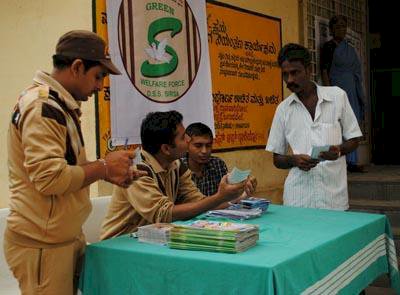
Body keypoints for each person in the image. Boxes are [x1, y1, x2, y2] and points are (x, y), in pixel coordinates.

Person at [4, 30, 146, 295]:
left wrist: (108, 173)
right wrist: (103, 167)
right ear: (77, 67)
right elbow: (49, 178)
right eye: (98, 76)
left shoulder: (60, 107)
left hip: (62, 239)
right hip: (42, 246)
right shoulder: (42, 107)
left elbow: (67, 170)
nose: (100, 86)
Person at [100, 111, 257, 240]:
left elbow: (200, 202)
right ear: (166, 148)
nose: (188, 139)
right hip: (121, 245)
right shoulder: (136, 170)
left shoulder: (175, 165)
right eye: (183, 137)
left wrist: (237, 195)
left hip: (153, 240)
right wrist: (220, 197)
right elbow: (163, 214)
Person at [266, 43, 362, 210]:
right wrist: (294, 160)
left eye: (295, 73)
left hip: (334, 199)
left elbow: (354, 139)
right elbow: (277, 159)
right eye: (285, 74)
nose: (289, 80)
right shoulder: (283, 110)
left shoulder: (337, 96)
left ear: (309, 70)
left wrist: (338, 151)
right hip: (298, 200)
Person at [320, 15, 366, 172]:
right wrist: (328, 91)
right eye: (338, 26)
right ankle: (341, 161)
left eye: (343, 26)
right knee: (338, 125)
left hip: (351, 90)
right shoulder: (329, 47)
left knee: (351, 124)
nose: (341, 29)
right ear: (331, 29)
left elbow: (356, 71)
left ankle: (353, 162)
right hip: (336, 89)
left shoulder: (350, 49)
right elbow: (324, 70)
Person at [181, 122, 228, 196]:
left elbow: (227, 195)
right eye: (198, 146)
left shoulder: (218, 164)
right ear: (186, 146)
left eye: (208, 146)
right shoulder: (178, 168)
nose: (204, 151)